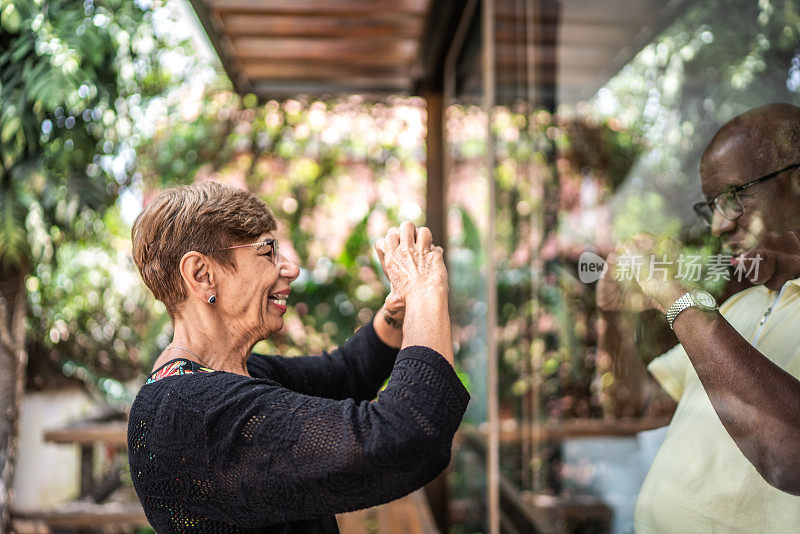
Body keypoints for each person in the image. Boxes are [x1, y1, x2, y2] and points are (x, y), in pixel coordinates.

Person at [127, 181, 469, 533]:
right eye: (267, 252)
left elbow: (344, 374)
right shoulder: (197, 412)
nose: (290, 268)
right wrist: (426, 289)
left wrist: (397, 312)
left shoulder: (220, 377)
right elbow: (406, 435)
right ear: (201, 274)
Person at [598, 103, 800, 532]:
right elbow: (635, 406)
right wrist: (614, 318)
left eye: (735, 196)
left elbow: (792, 457)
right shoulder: (738, 307)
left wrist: (674, 294)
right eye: (712, 206)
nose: (718, 227)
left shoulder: (704, 313)